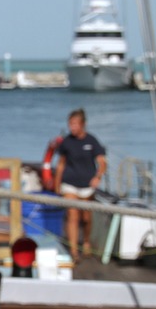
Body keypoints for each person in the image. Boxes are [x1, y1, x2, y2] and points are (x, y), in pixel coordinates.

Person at [53, 108, 106, 261]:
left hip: (87, 185)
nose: (72, 127)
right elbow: (61, 164)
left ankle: (87, 241)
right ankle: (74, 251)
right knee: (72, 216)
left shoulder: (92, 141)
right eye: (70, 124)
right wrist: (57, 185)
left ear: (83, 124)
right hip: (69, 183)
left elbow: (102, 162)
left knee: (86, 218)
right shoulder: (66, 142)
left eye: (75, 124)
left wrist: (98, 176)